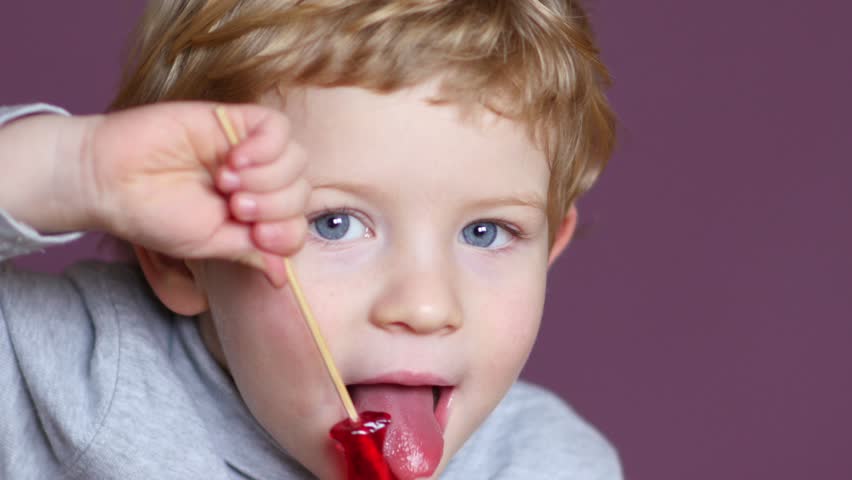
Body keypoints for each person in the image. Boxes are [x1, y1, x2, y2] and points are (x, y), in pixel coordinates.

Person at [0, 1, 621, 479]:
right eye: (335, 223)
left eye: (486, 233)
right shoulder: (79, 378)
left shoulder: (548, 462)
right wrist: (65, 172)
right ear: (179, 260)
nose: (426, 306)